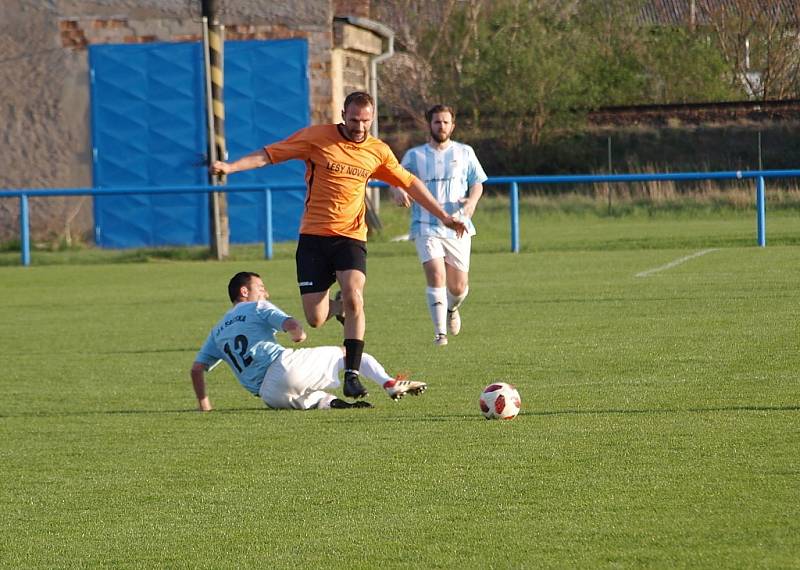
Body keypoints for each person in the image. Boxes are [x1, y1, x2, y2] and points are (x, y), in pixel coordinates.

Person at [210, 91, 466, 401]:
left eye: (366, 121)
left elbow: (410, 182)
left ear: (373, 119)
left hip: (351, 236)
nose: (360, 127)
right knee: (316, 318)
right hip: (314, 239)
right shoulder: (317, 138)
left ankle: (352, 375)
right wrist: (230, 167)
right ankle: (340, 305)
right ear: (343, 114)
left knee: (355, 295)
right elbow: (269, 154)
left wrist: (444, 217)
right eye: (354, 120)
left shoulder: (377, 151)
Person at [190, 271, 427, 411]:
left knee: (314, 397)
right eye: (261, 288)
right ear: (244, 292)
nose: (266, 294)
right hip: (282, 368)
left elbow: (197, 369)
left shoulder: (217, 330)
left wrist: (205, 406)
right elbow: (292, 325)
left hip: (268, 396)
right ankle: (388, 383)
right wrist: (297, 333)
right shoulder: (258, 306)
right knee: (350, 353)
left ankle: (342, 406)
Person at [390, 104, 487, 346]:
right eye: (437, 122)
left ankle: (452, 309)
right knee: (436, 274)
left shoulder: (465, 152)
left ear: (452, 125)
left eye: (445, 122)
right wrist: (398, 190)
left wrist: (471, 202)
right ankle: (439, 333)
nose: (441, 126)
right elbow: (395, 177)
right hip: (425, 224)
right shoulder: (415, 155)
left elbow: (477, 183)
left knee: (458, 287)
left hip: (458, 225)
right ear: (429, 124)